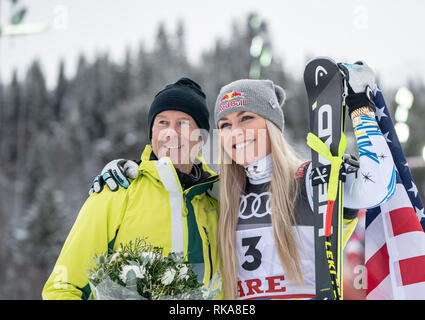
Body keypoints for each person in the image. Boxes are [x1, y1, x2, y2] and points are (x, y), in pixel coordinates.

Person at [92, 62, 395, 299]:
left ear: (272, 126)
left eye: (246, 118)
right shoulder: (217, 193)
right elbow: (176, 181)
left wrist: (360, 106)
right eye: (224, 125)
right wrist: (127, 169)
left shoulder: (309, 181)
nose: (234, 132)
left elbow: (378, 185)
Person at [42, 78, 222, 299]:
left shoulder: (216, 202)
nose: (170, 133)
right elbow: (63, 287)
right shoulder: (117, 191)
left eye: (183, 124)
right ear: (152, 132)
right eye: (162, 123)